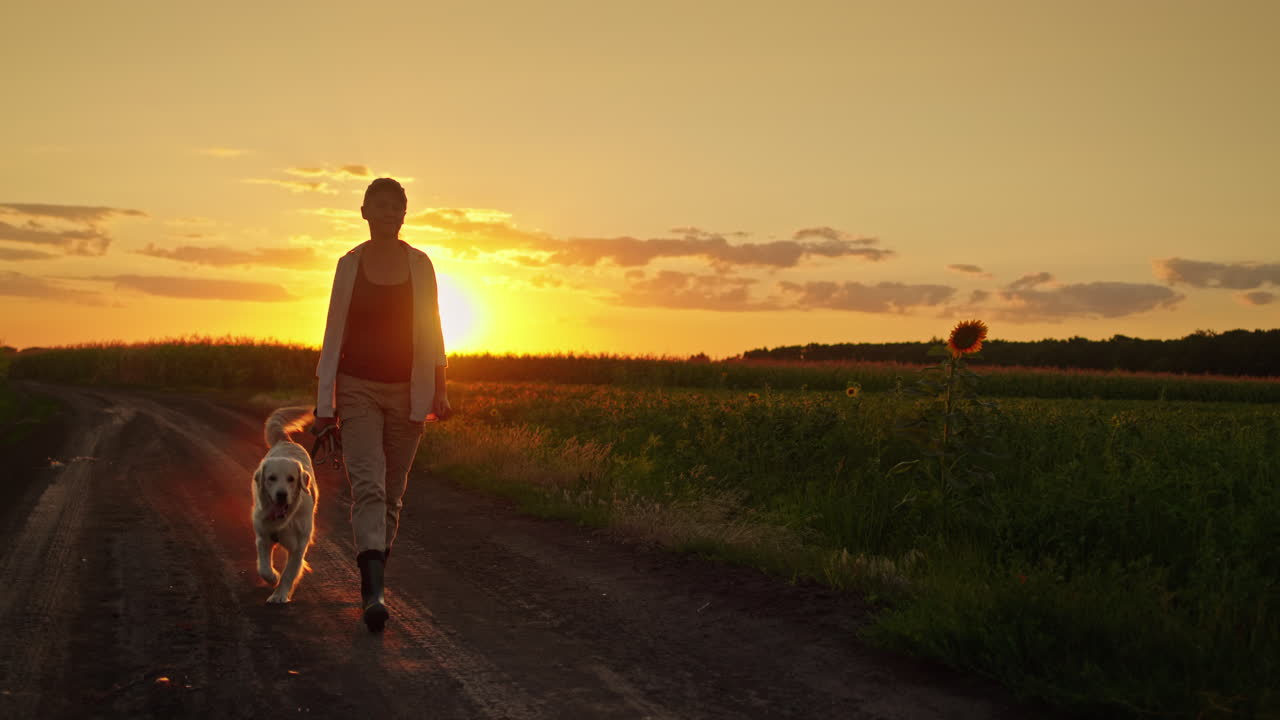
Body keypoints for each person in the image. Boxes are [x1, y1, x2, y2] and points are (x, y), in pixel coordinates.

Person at [313, 177, 451, 632]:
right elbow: (334, 332)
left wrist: (441, 388)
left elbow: (432, 329)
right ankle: (373, 593)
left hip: (408, 389)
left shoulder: (421, 265)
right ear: (365, 211)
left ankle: (375, 572)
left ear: (405, 214)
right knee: (368, 487)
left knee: (392, 495)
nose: (390, 213)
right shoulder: (349, 265)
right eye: (382, 205)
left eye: (398, 207)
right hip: (357, 389)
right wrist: (324, 401)